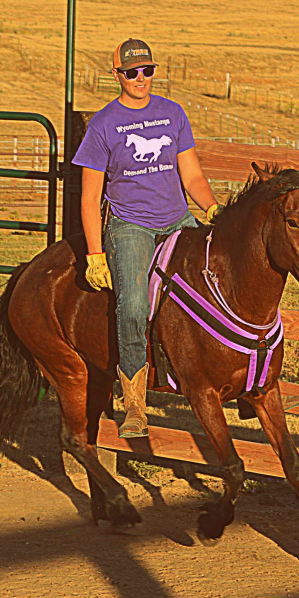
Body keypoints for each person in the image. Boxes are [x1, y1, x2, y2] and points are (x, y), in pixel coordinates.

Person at [72, 39, 219, 438]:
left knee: (219, 284)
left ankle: (228, 376)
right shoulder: (103, 124)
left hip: (177, 220)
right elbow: (89, 199)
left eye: (147, 71)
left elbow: (192, 177)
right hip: (130, 226)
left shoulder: (172, 114)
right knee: (134, 305)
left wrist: (211, 210)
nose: (141, 79)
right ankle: (135, 404)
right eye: (132, 72)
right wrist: (95, 253)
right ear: (116, 74)